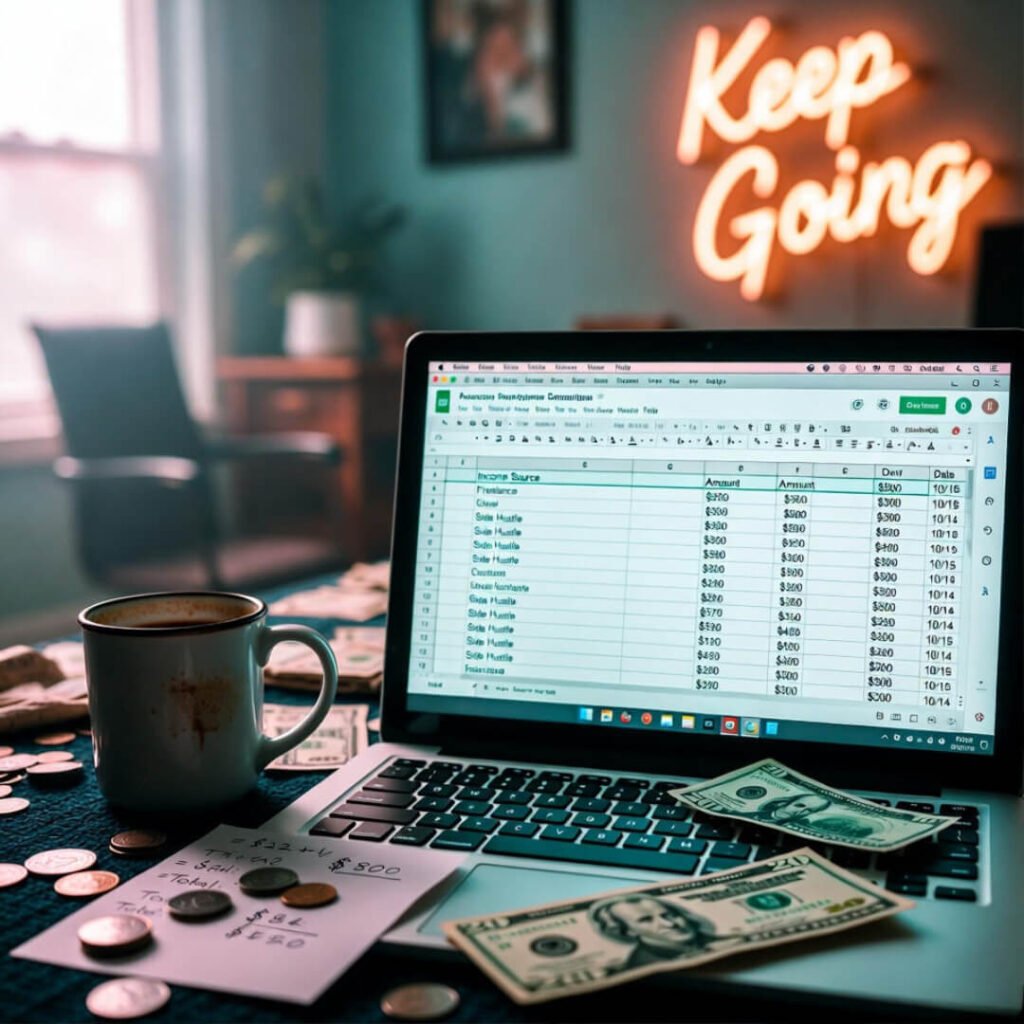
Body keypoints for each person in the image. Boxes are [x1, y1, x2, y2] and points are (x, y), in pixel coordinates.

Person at [589, 894, 717, 970]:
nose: (670, 924)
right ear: (628, 931)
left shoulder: (727, 940)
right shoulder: (642, 965)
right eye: (646, 920)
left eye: (670, 915)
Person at [753, 791, 831, 823]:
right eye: (799, 805)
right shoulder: (751, 815)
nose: (799, 811)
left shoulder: (804, 824)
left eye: (809, 810)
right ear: (784, 803)